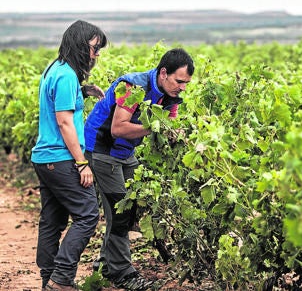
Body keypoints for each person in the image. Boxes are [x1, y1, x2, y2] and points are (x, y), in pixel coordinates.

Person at [84, 48, 194, 290]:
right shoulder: (134, 88)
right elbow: (118, 129)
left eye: (186, 83)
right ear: (163, 73)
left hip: (125, 152)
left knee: (130, 207)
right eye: (179, 81)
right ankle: (123, 273)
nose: (183, 87)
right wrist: (155, 127)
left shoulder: (170, 96)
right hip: (102, 148)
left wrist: (183, 136)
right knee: (119, 212)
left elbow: (169, 126)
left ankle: (104, 263)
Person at [31, 20, 107, 290]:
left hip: (45, 158)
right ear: (80, 45)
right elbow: (64, 123)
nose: (96, 55)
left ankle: (48, 280)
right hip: (61, 158)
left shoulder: (56, 69)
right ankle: (61, 278)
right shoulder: (66, 77)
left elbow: (58, 104)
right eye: (94, 49)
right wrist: (82, 163)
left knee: (52, 220)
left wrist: (83, 91)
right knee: (87, 215)